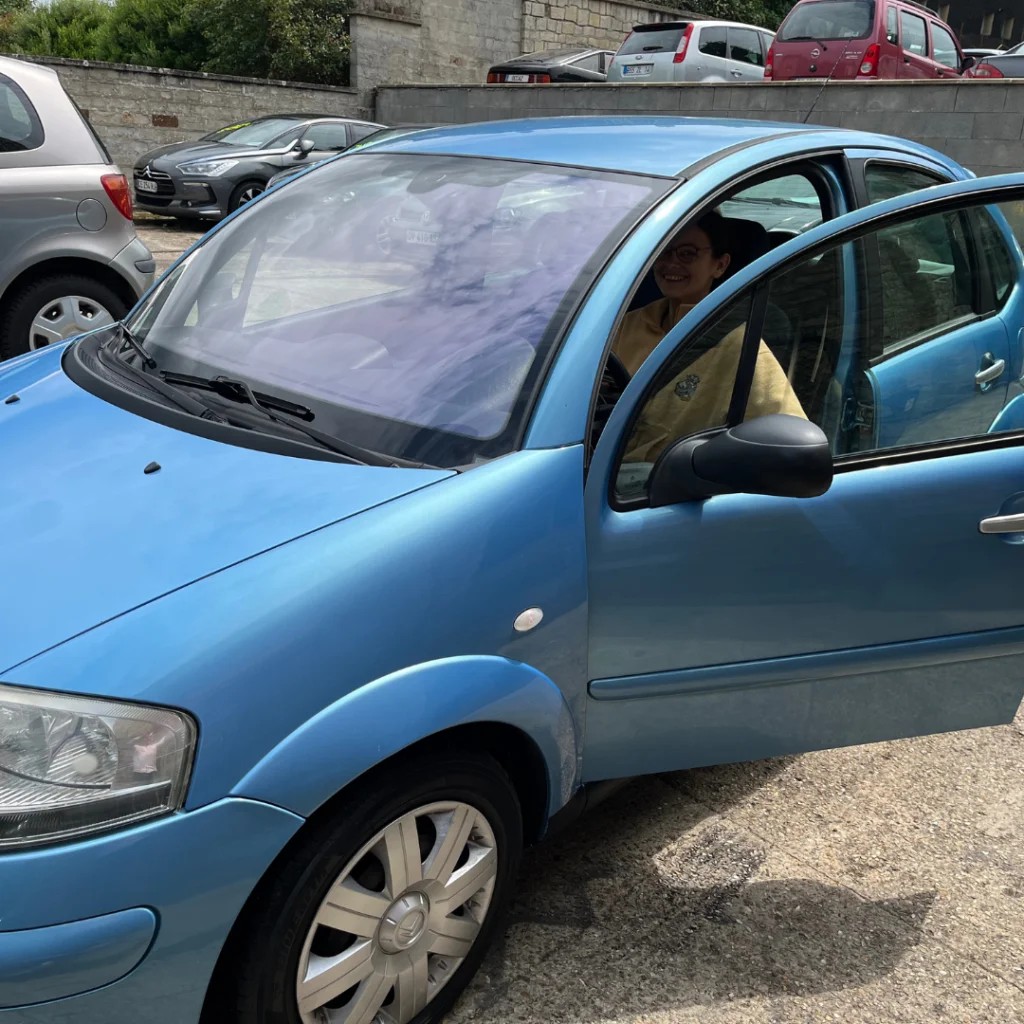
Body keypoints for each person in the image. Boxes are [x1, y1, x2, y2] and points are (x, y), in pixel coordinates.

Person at [612, 210, 805, 463]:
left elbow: (787, 435)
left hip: (667, 485)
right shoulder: (626, 323)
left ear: (720, 265)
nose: (671, 263)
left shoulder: (740, 342)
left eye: (687, 253)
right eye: (664, 251)